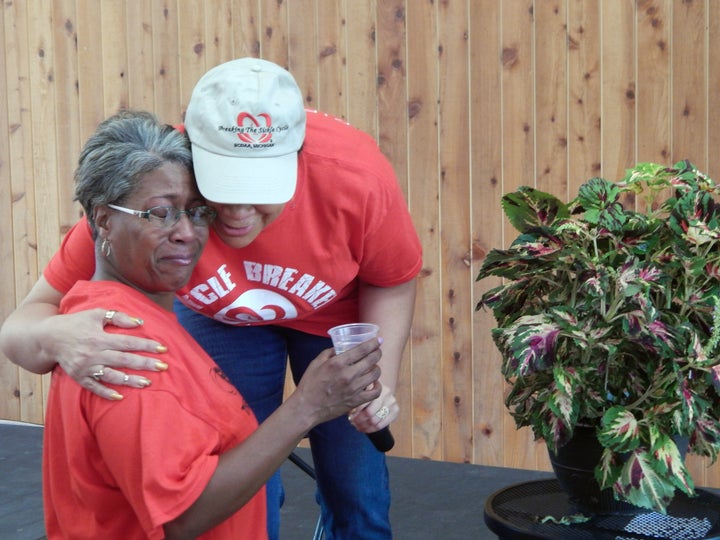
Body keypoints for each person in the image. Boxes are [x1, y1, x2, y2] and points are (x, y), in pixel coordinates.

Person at [0, 58, 422, 539]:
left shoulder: (356, 179)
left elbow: (393, 276)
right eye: (221, 193)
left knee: (359, 491)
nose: (240, 214)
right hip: (222, 316)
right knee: (247, 483)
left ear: (297, 160)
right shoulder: (153, 187)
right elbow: (18, 329)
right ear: (194, 156)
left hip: (329, 313)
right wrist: (56, 334)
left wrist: (379, 386)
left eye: (260, 191)